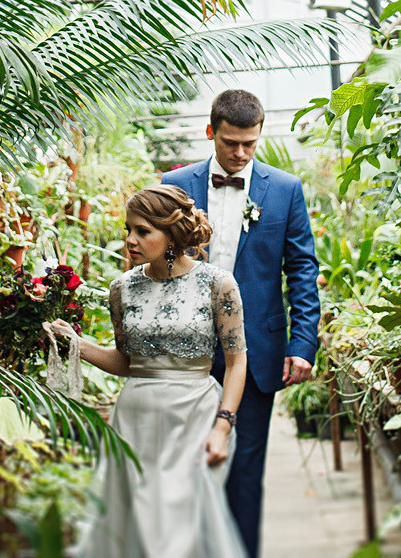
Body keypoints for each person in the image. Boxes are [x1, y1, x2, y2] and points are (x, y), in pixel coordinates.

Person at [46, 185, 249, 558]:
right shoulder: (122, 288)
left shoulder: (218, 284)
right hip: (135, 420)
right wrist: (76, 343)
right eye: (128, 229)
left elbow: (236, 362)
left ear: (171, 235)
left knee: (179, 531)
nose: (129, 240)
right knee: (135, 526)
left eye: (142, 231)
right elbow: (126, 362)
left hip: (195, 418)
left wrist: (223, 427)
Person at [162, 89, 321, 558]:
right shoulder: (174, 183)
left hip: (256, 352)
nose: (240, 153)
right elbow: (158, 257)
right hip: (183, 351)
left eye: (250, 143)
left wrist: (303, 343)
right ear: (211, 132)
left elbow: (303, 270)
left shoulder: (286, 189)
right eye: (231, 142)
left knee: (245, 472)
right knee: (185, 468)